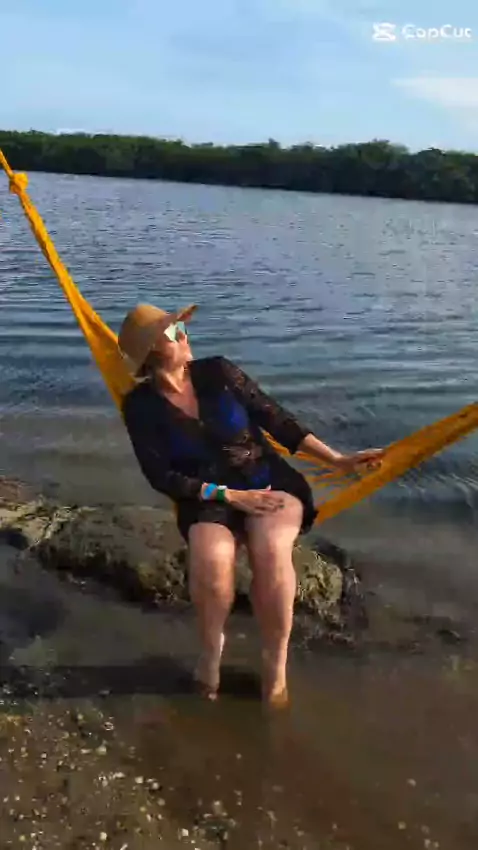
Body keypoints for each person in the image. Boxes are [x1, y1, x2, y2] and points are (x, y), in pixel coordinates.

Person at [118, 303, 384, 707]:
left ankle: (275, 666)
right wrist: (226, 496)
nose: (185, 335)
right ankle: (211, 656)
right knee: (210, 560)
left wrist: (337, 460)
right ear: (153, 351)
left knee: (272, 549)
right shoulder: (140, 406)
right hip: (206, 496)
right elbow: (160, 475)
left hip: (267, 480)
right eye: (173, 333)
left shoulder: (219, 372)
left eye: (180, 329)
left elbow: (276, 418)